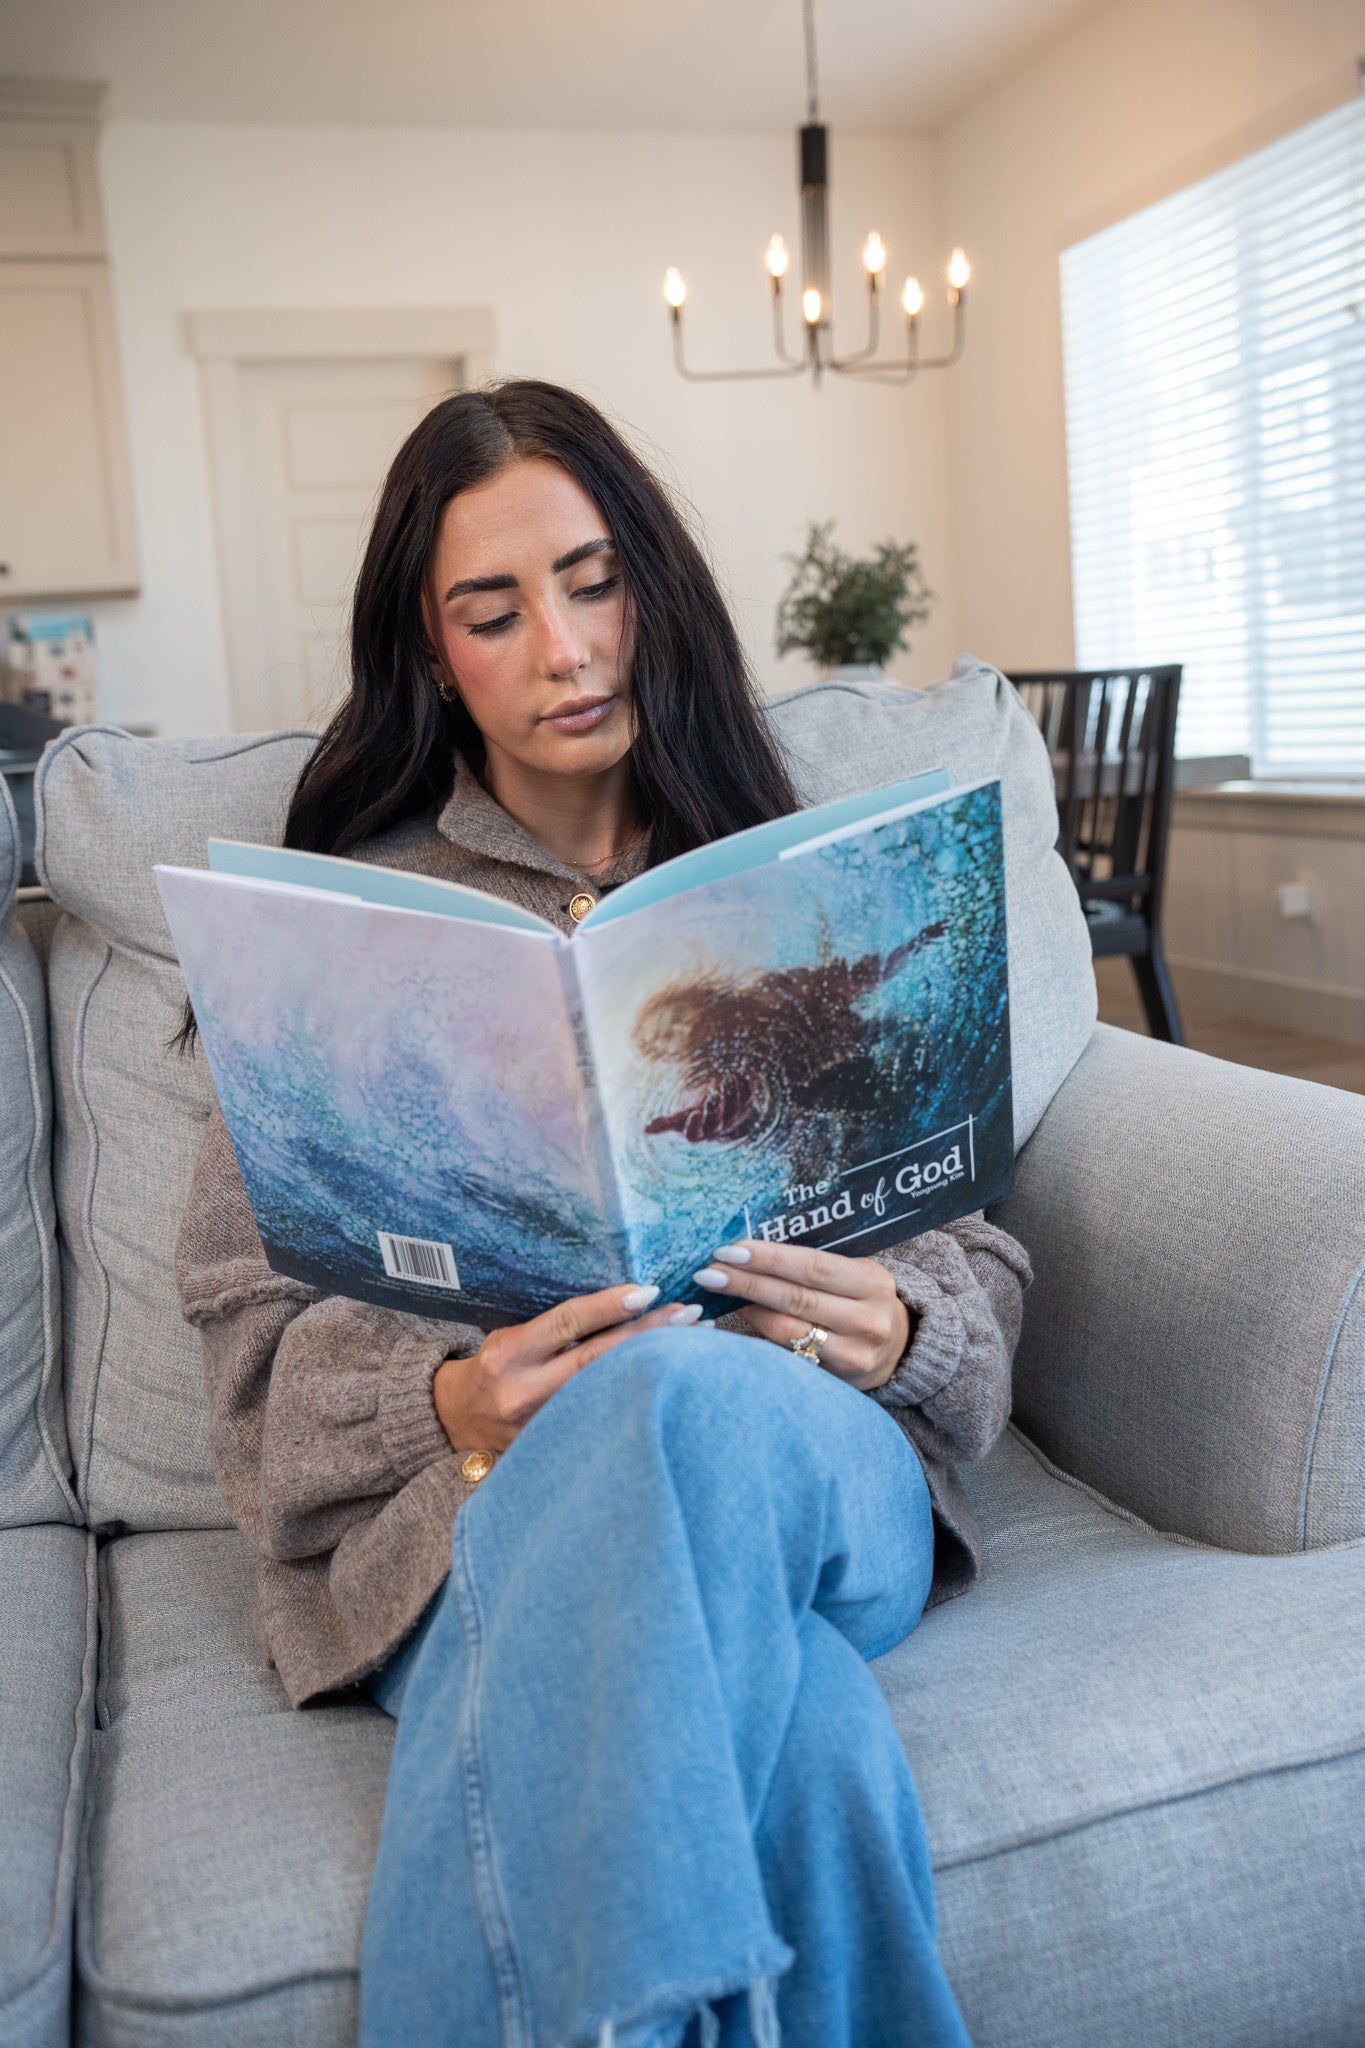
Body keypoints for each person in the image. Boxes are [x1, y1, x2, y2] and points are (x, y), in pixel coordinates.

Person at [174, 379, 1032, 2048]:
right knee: (815, 1746)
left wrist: (905, 1328)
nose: (565, 651)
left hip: (812, 1466)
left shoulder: (804, 881)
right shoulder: (343, 938)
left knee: (681, 1395)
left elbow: (975, 1236)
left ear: (652, 585)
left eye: (592, 585)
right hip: (500, 1505)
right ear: (435, 655)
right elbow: (246, 1349)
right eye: (494, 613)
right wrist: (445, 1402)